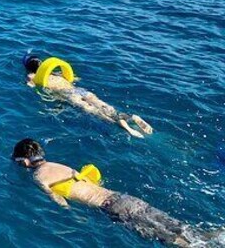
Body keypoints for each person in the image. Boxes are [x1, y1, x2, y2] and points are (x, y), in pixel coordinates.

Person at [11, 139, 220, 246]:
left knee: (167, 239)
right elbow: (93, 179)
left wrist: (71, 217)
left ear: (25, 161)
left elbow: (58, 199)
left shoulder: (38, 176)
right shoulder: (60, 165)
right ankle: (214, 235)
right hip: (123, 197)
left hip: (112, 208)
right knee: (177, 226)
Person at [22, 53, 153, 138]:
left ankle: (126, 128)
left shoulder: (31, 76)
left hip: (69, 95)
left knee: (94, 111)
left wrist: (31, 86)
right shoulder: (55, 73)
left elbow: (31, 86)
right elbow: (74, 79)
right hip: (80, 90)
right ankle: (130, 117)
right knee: (105, 107)